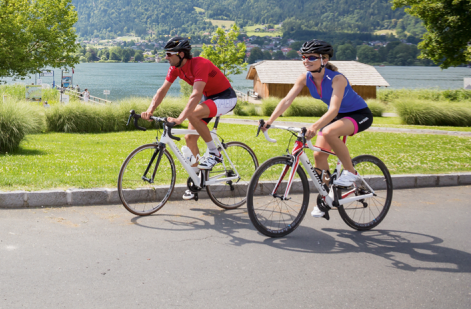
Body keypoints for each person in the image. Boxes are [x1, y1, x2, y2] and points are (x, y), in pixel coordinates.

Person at [262, 40, 372, 218]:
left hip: (359, 114)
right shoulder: (305, 77)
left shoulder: (337, 79)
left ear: (324, 59)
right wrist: (269, 121)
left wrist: (315, 126)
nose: (306, 60)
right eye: (304, 57)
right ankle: (327, 194)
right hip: (337, 116)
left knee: (329, 132)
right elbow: (287, 101)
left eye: (311, 57)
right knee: (319, 154)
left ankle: (351, 173)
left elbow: (334, 109)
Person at [141, 36, 238, 199]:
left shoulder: (200, 64)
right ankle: (198, 180)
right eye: (166, 53)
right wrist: (150, 110)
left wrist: (179, 119)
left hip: (225, 97)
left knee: (192, 113)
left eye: (169, 54)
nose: (166, 57)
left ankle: (215, 153)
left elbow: (195, 95)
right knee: (189, 139)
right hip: (209, 99)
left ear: (181, 54)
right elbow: (162, 90)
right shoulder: (175, 68)